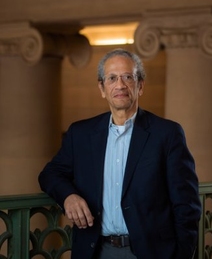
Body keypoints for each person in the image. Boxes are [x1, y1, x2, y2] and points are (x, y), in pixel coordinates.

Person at [38, 48, 202, 259]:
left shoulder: (167, 134)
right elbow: (49, 174)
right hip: (96, 250)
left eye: (128, 77)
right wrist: (68, 196)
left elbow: (186, 205)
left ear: (140, 85)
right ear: (102, 88)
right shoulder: (81, 134)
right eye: (112, 78)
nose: (120, 85)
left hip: (151, 252)